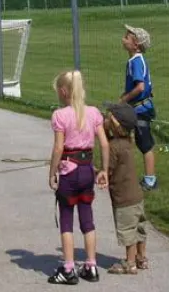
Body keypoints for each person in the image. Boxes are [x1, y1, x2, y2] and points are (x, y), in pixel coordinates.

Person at [48, 70, 109, 285]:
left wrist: (52, 172)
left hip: (69, 171)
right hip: (87, 170)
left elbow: (58, 148)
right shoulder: (93, 113)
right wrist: (104, 170)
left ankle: (68, 268)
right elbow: (104, 143)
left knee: (66, 219)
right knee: (87, 218)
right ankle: (91, 265)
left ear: (63, 92)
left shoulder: (60, 115)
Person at [104, 102, 148, 274]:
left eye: (108, 117)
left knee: (128, 231)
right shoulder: (128, 142)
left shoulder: (114, 147)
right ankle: (141, 257)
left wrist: (96, 173)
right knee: (140, 228)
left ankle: (129, 263)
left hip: (123, 199)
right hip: (136, 196)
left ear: (115, 125)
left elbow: (108, 170)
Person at [120, 24, 157, 190]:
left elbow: (140, 87)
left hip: (140, 110)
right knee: (121, 136)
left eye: (127, 37)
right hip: (135, 108)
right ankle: (122, 171)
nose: (123, 38)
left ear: (135, 44)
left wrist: (124, 99)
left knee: (145, 144)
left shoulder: (136, 61)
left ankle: (150, 180)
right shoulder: (135, 60)